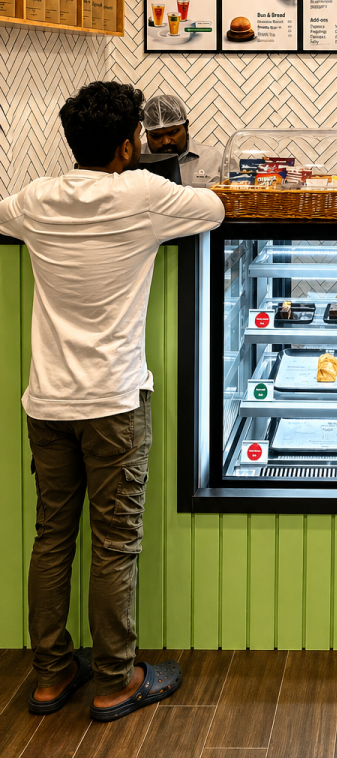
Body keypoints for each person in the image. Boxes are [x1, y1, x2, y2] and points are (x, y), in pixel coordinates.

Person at [0, 81, 224, 721]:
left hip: (47, 403)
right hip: (115, 403)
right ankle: (116, 680)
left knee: (52, 539)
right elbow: (212, 210)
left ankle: (47, 677)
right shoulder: (146, 195)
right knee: (114, 543)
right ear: (130, 144)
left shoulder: (37, 199)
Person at [142, 93, 223, 187]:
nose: (166, 141)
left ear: (186, 127)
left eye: (173, 132)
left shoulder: (212, 158)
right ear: (147, 134)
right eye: (156, 136)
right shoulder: (133, 161)